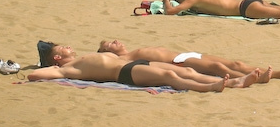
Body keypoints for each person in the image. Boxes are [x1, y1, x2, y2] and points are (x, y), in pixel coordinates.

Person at [30, 43, 247, 91]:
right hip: (124, 73)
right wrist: (47, 68)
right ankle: (211, 86)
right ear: (56, 58)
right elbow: (33, 75)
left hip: (134, 64)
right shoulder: (64, 70)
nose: (69, 47)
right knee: (169, 75)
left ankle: (232, 81)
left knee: (188, 71)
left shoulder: (83, 58)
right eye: (62, 48)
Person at [97, 39, 280, 82]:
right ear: (106, 52)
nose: (115, 41)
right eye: (110, 44)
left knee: (235, 63)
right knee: (217, 67)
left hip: (186, 54)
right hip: (178, 62)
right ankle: (255, 78)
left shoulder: (133, 50)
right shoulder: (122, 59)